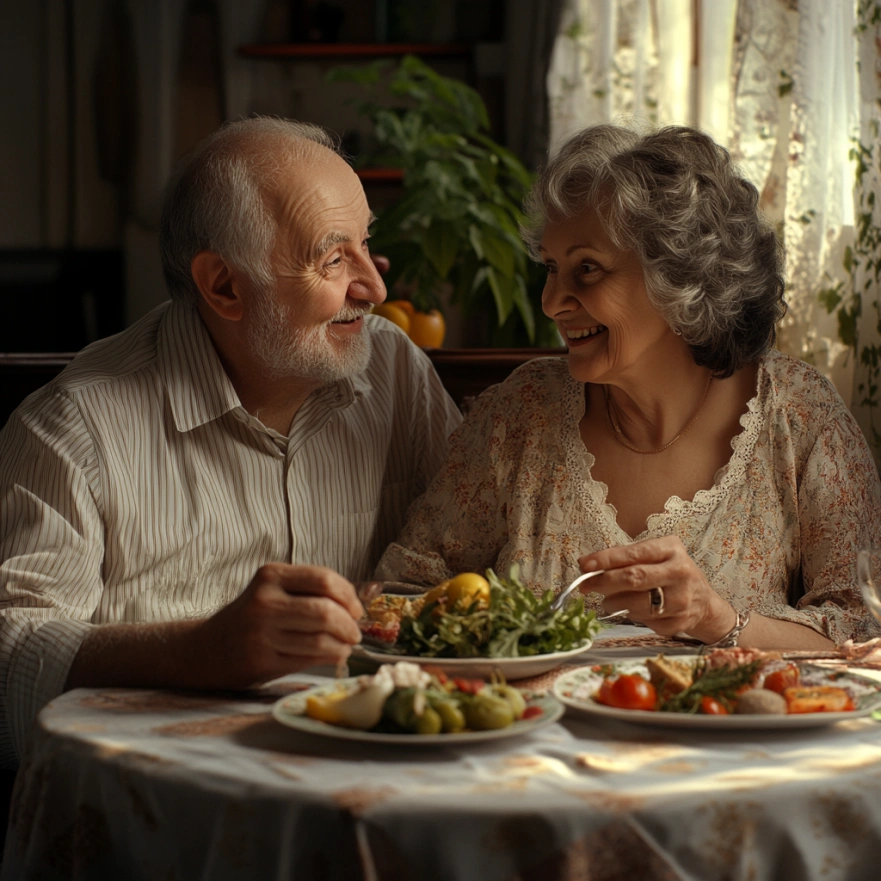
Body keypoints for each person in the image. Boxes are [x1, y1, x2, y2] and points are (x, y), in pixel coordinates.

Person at [0, 117, 461, 767]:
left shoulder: (393, 370)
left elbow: (489, 544)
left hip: (378, 768)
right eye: (333, 258)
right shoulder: (73, 428)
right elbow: (9, 656)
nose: (376, 289)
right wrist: (197, 650)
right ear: (223, 286)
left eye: (366, 244)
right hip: (166, 807)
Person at [376, 124, 881, 651]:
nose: (552, 302)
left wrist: (716, 619)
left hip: (721, 730)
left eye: (586, 269)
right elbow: (405, 591)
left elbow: (863, 632)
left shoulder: (798, 416)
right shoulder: (520, 413)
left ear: (680, 278)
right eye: (551, 268)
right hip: (533, 728)